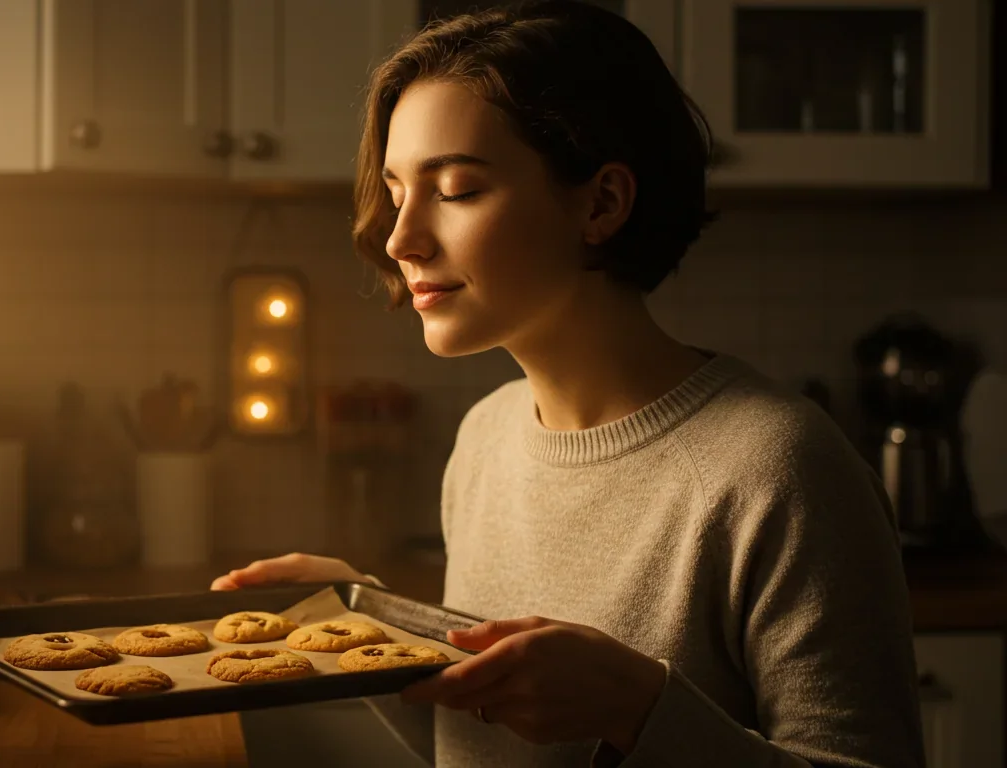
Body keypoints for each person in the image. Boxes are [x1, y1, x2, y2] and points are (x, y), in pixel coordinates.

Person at [211, 2, 925, 767]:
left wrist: (639, 709)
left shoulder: (781, 469)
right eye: (395, 193)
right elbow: (491, 747)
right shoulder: (485, 437)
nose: (400, 239)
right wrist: (376, 628)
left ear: (601, 203)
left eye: (455, 190)